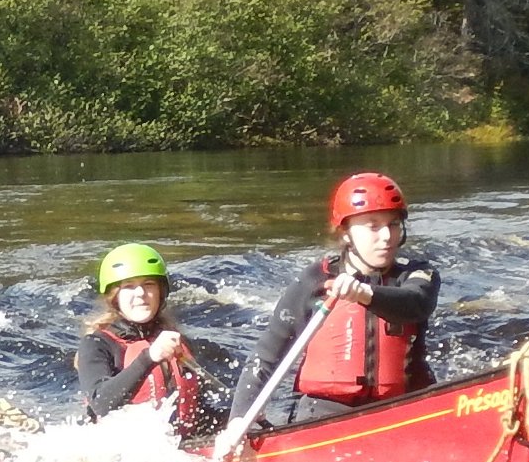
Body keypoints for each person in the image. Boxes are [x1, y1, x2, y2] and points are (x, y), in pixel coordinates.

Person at [246, 173, 441, 428]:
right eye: (373, 226)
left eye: (393, 224)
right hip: (324, 415)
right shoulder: (313, 280)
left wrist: (363, 293)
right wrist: (239, 421)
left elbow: (416, 303)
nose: (387, 236)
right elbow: (265, 358)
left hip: (405, 410)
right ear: (346, 233)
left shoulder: (418, 274)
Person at [75, 241, 227, 446]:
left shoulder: (175, 341)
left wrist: (239, 417)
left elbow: (198, 412)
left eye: (148, 284)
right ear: (115, 297)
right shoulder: (96, 344)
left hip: (177, 446)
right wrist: (149, 357)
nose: (140, 293)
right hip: (117, 450)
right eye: (129, 286)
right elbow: (101, 403)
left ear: (160, 293)